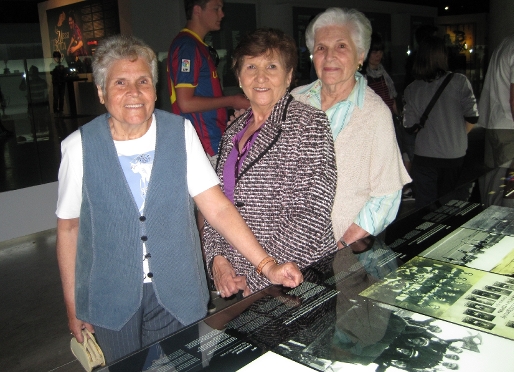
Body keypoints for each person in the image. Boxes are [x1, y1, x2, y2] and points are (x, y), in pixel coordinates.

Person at [55, 34, 302, 364]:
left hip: (178, 292)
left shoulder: (180, 133)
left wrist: (267, 264)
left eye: (143, 81)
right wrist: (74, 305)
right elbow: (69, 230)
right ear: (101, 92)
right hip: (110, 298)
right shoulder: (78, 147)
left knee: (182, 366)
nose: (134, 92)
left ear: (155, 89)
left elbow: (216, 207)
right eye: (120, 83)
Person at [202, 28, 337, 296]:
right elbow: (214, 203)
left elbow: (312, 215)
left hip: (292, 276)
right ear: (239, 77)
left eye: (271, 66)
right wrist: (218, 260)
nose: (260, 76)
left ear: (288, 77)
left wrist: (257, 275)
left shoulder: (310, 124)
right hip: (236, 278)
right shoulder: (232, 132)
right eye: (250, 66)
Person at [291, 7, 411, 248]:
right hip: (291, 246)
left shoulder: (375, 113)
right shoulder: (295, 100)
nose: (329, 56)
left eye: (341, 46)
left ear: (360, 55)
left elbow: (386, 196)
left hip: (346, 249)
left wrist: (343, 243)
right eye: (321, 48)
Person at [167, 0, 250, 167]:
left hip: (211, 140)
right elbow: (185, 103)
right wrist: (232, 101)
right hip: (203, 144)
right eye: (216, 9)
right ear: (197, 10)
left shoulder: (197, 46)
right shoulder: (187, 46)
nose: (222, 14)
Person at [403, 35, 478, 209]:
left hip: (425, 156)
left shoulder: (412, 89)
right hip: (454, 155)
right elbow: (473, 117)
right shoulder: (460, 82)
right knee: (450, 204)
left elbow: (409, 126)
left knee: (426, 207)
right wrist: (456, 135)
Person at [477, 34, 514, 207]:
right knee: (509, 185)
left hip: (497, 121)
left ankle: (492, 219)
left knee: (498, 179)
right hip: (509, 125)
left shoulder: (505, 42)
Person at [50, 51, 68, 115]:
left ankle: (60, 110)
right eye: (56, 58)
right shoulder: (52, 65)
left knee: (61, 97)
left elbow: (65, 70)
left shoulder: (61, 64)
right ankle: (56, 110)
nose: (57, 59)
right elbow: (52, 72)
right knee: (56, 97)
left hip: (61, 82)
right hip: (56, 83)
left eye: (58, 58)